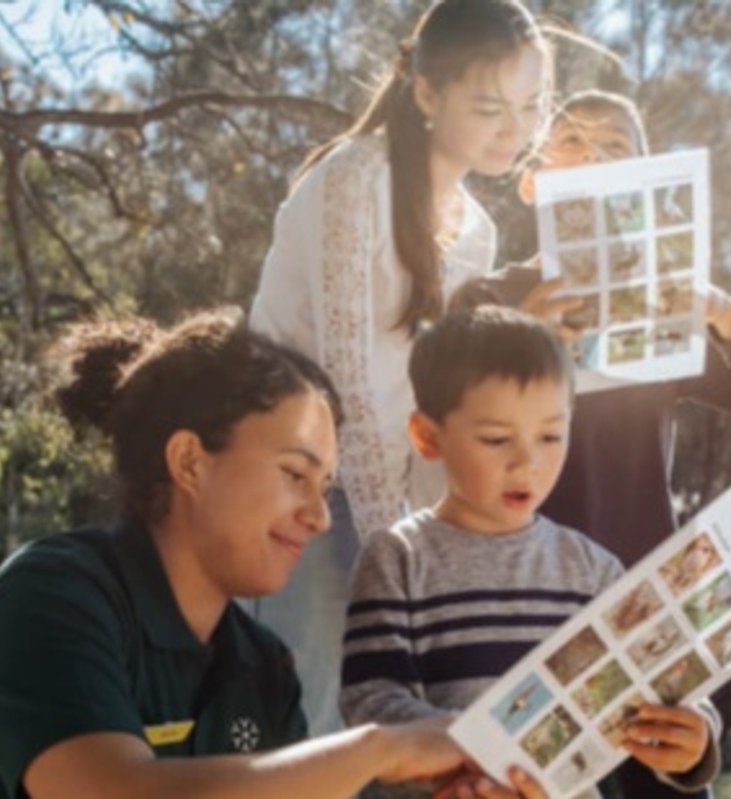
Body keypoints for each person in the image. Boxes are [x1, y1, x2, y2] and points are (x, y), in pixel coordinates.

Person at [0, 309, 475, 799]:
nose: (320, 515)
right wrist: (375, 749)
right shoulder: (49, 596)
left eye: (324, 488)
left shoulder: (259, 664)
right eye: (295, 473)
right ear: (190, 462)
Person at [457, 88, 731, 799]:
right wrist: (523, 333)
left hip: (640, 602)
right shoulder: (485, 298)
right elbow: (443, 430)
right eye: (571, 143)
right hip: (518, 604)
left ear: (642, 186)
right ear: (532, 180)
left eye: (615, 148)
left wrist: (726, 317)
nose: (592, 157)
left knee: (666, 764)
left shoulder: (663, 307)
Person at [247, 0, 554, 737]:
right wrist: (400, 558)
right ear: (425, 92)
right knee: (311, 723)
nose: (516, 129)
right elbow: (347, 383)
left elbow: (426, 399)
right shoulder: (357, 178)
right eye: (490, 106)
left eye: (532, 105)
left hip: (383, 503)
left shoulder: (474, 230)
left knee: (392, 730)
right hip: (295, 490)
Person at [339, 307, 721, 799]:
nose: (528, 462)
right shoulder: (396, 558)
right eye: (497, 439)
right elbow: (371, 702)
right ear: (429, 437)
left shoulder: (592, 569)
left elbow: (664, 682)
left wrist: (696, 737)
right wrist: (478, 754)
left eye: (551, 436)